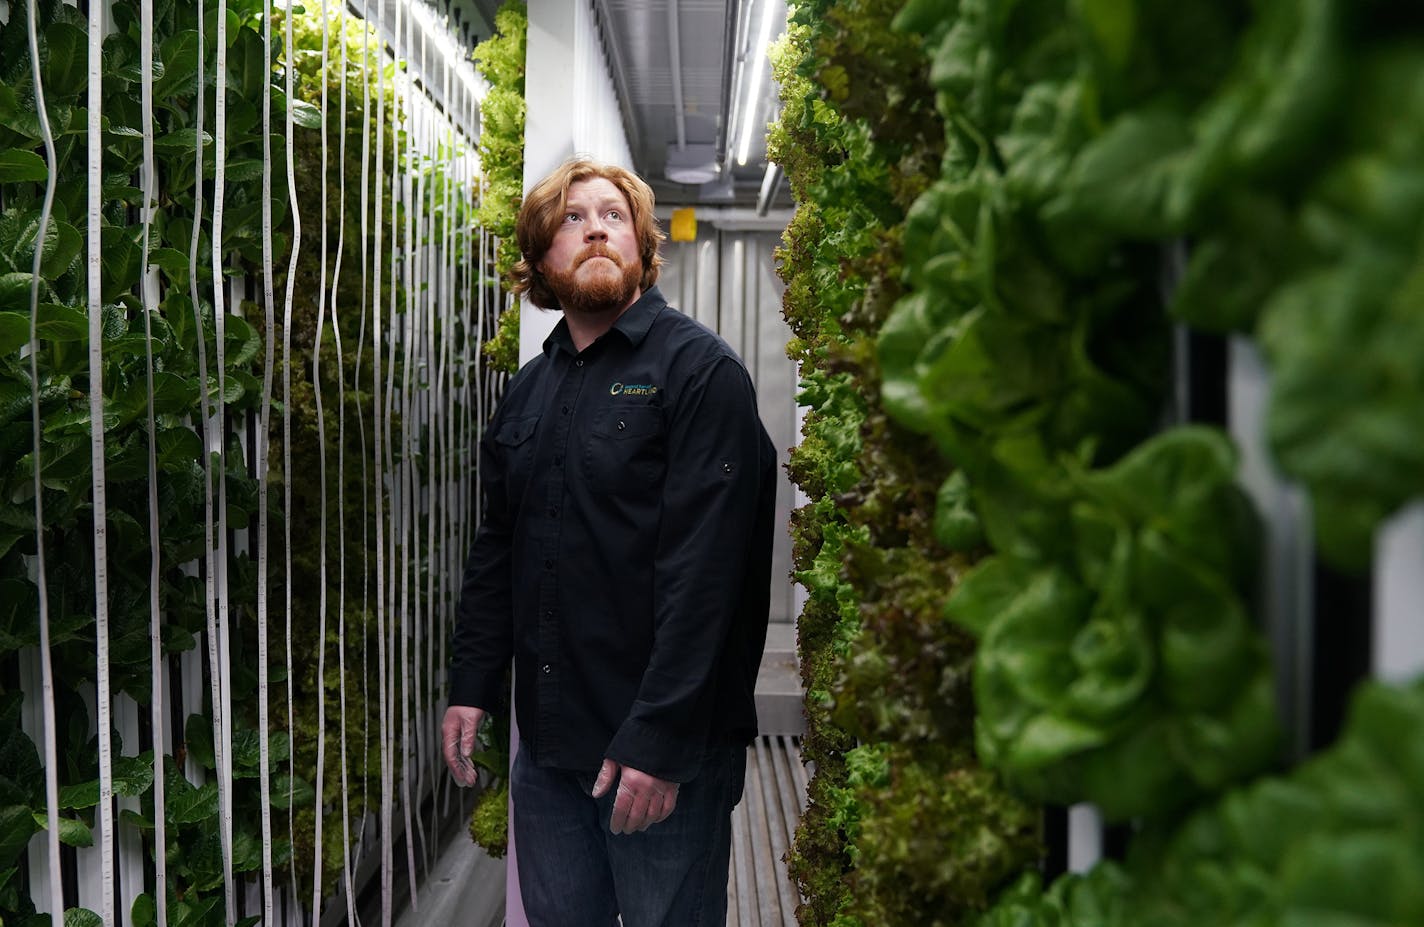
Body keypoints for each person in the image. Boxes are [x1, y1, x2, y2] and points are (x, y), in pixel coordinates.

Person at [441, 156, 776, 926]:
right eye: (570, 219)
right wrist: (472, 681)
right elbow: (500, 548)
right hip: (553, 749)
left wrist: (658, 739)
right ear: (540, 258)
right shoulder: (530, 387)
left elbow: (708, 579)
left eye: (613, 217)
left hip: (663, 755)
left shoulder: (700, 375)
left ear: (642, 248)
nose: (594, 227)